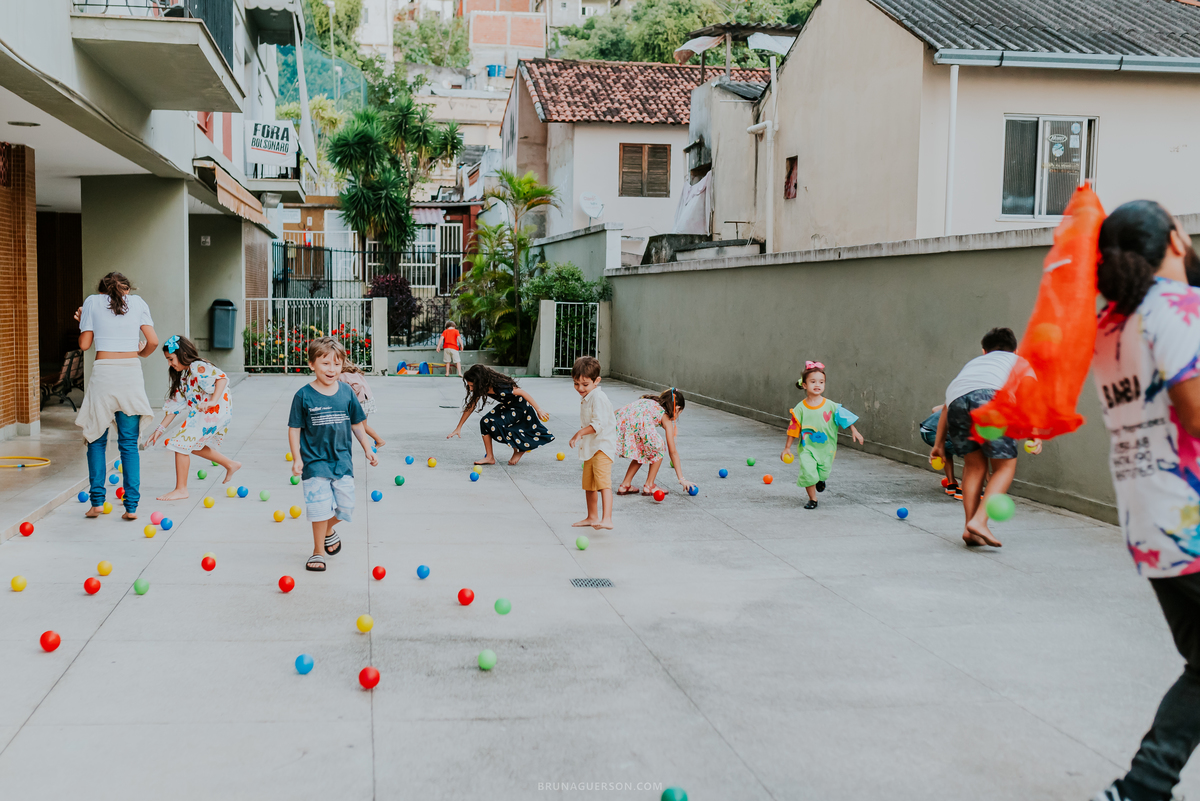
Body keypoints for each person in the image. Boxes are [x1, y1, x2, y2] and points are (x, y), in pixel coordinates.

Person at [1090, 200, 1200, 801]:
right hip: (1192, 517)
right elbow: (1195, 415)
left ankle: (1140, 790)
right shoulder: (1181, 309)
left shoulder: (1111, 323)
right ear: (1176, 241)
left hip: (1150, 521)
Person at [931, 328, 1039, 547]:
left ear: (984, 351)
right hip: (994, 399)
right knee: (1004, 467)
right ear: (1015, 350)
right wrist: (1034, 433)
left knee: (974, 467)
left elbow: (945, 408)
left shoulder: (972, 365)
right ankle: (980, 522)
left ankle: (970, 529)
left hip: (957, 404)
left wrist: (938, 444)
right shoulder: (1020, 362)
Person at [73, 272, 159, 521]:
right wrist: (139, 354)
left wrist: (82, 322)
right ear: (127, 291)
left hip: (104, 377)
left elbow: (85, 344)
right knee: (129, 444)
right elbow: (152, 341)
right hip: (130, 376)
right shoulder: (139, 303)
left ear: (102, 291)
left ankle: (97, 503)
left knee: (97, 440)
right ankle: (131, 507)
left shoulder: (91, 302)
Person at [288, 337, 378, 572]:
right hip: (315, 462)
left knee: (346, 508)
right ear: (311, 364)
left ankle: (328, 529)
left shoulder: (347, 392)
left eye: (337, 364)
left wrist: (367, 448)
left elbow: (358, 423)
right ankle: (318, 552)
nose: (332, 369)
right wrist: (297, 458)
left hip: (342, 461)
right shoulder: (303, 395)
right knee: (319, 509)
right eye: (325, 363)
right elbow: (294, 428)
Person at [145, 335, 240, 500]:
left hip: (215, 410)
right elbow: (173, 409)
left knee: (180, 443)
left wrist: (212, 401)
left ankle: (181, 489)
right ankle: (230, 464)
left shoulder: (197, 366)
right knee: (190, 444)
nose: (169, 364)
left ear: (182, 354)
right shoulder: (182, 376)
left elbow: (221, 379)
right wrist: (158, 430)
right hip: (205, 412)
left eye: (170, 359)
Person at [780, 361, 864, 510]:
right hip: (807, 448)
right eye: (813, 382)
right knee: (808, 472)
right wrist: (787, 448)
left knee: (823, 472)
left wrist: (854, 430)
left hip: (827, 448)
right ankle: (813, 499)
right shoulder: (800, 408)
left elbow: (844, 418)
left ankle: (821, 480)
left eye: (821, 382)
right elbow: (793, 428)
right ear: (804, 385)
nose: (817, 385)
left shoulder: (831, 406)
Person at [447, 364, 554, 465]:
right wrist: (459, 427)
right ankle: (490, 457)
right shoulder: (481, 388)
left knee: (499, 425)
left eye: (471, 385)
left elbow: (522, 392)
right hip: (507, 406)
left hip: (520, 407)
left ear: (479, 382)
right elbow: (470, 406)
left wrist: (539, 410)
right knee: (485, 421)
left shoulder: (500, 386)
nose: (470, 389)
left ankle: (520, 449)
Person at [614, 388, 694, 497]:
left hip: (623, 423)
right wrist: (681, 479)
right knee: (658, 448)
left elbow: (623, 410)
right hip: (636, 426)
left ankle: (625, 485)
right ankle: (649, 485)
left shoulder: (649, 401)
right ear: (677, 408)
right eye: (680, 412)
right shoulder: (665, 416)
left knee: (643, 450)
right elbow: (673, 451)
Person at [568, 356, 616, 530]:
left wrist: (579, 433)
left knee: (603, 483)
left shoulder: (599, 397)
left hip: (602, 447)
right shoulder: (589, 396)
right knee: (589, 485)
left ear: (597, 381)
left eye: (585, 384)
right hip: (591, 447)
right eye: (576, 384)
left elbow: (598, 425)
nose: (580, 388)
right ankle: (592, 516)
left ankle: (607, 519)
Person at [339, 360, 384, 448]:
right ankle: (378, 441)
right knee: (361, 426)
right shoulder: (352, 373)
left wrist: (350, 395)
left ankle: (380, 441)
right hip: (366, 400)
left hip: (362, 401)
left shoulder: (344, 375)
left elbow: (357, 385)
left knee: (362, 426)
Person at [921, 406, 961, 498]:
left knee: (946, 451)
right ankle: (962, 491)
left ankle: (951, 484)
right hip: (935, 432)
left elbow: (934, 410)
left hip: (926, 430)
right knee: (973, 455)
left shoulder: (955, 400)